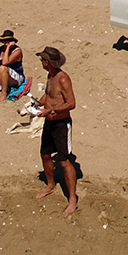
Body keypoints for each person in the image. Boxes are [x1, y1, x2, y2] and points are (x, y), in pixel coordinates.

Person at [34, 46, 78, 216]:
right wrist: (38, 103)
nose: (41, 62)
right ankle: (50, 185)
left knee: (64, 162)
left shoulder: (63, 79)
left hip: (61, 124)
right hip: (49, 122)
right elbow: (49, 95)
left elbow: (71, 103)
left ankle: (73, 199)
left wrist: (51, 110)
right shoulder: (50, 76)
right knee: (45, 154)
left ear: (47, 62)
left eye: (42, 60)